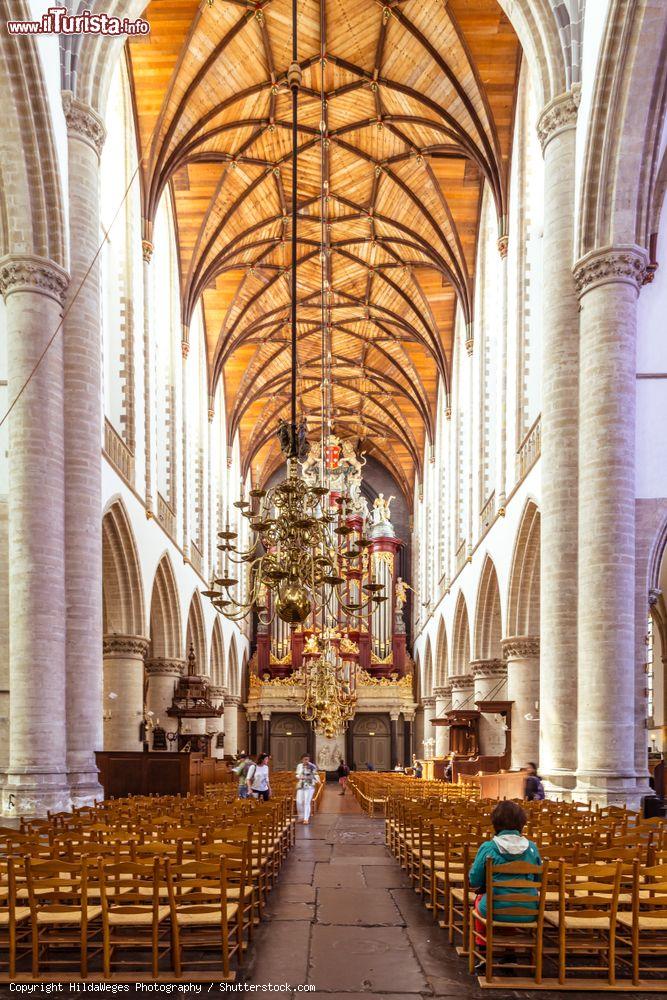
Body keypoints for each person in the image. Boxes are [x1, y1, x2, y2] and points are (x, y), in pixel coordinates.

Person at [469, 800, 542, 965]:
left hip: (496, 910)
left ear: (495, 822)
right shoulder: (532, 848)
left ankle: (484, 952)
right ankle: (510, 954)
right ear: (521, 823)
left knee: (481, 900)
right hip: (529, 912)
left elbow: (474, 880)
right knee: (512, 898)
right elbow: (538, 880)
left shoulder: (488, 847)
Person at [295, 754, 320, 824]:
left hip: (309, 786)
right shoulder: (299, 766)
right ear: (302, 759)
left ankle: (306, 818)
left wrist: (311, 778)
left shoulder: (312, 766)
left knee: (306, 802)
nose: (306, 761)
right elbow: (297, 774)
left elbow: (316, 775)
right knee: (299, 801)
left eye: (307, 759)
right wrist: (299, 776)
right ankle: (301, 817)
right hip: (301, 785)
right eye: (304, 759)